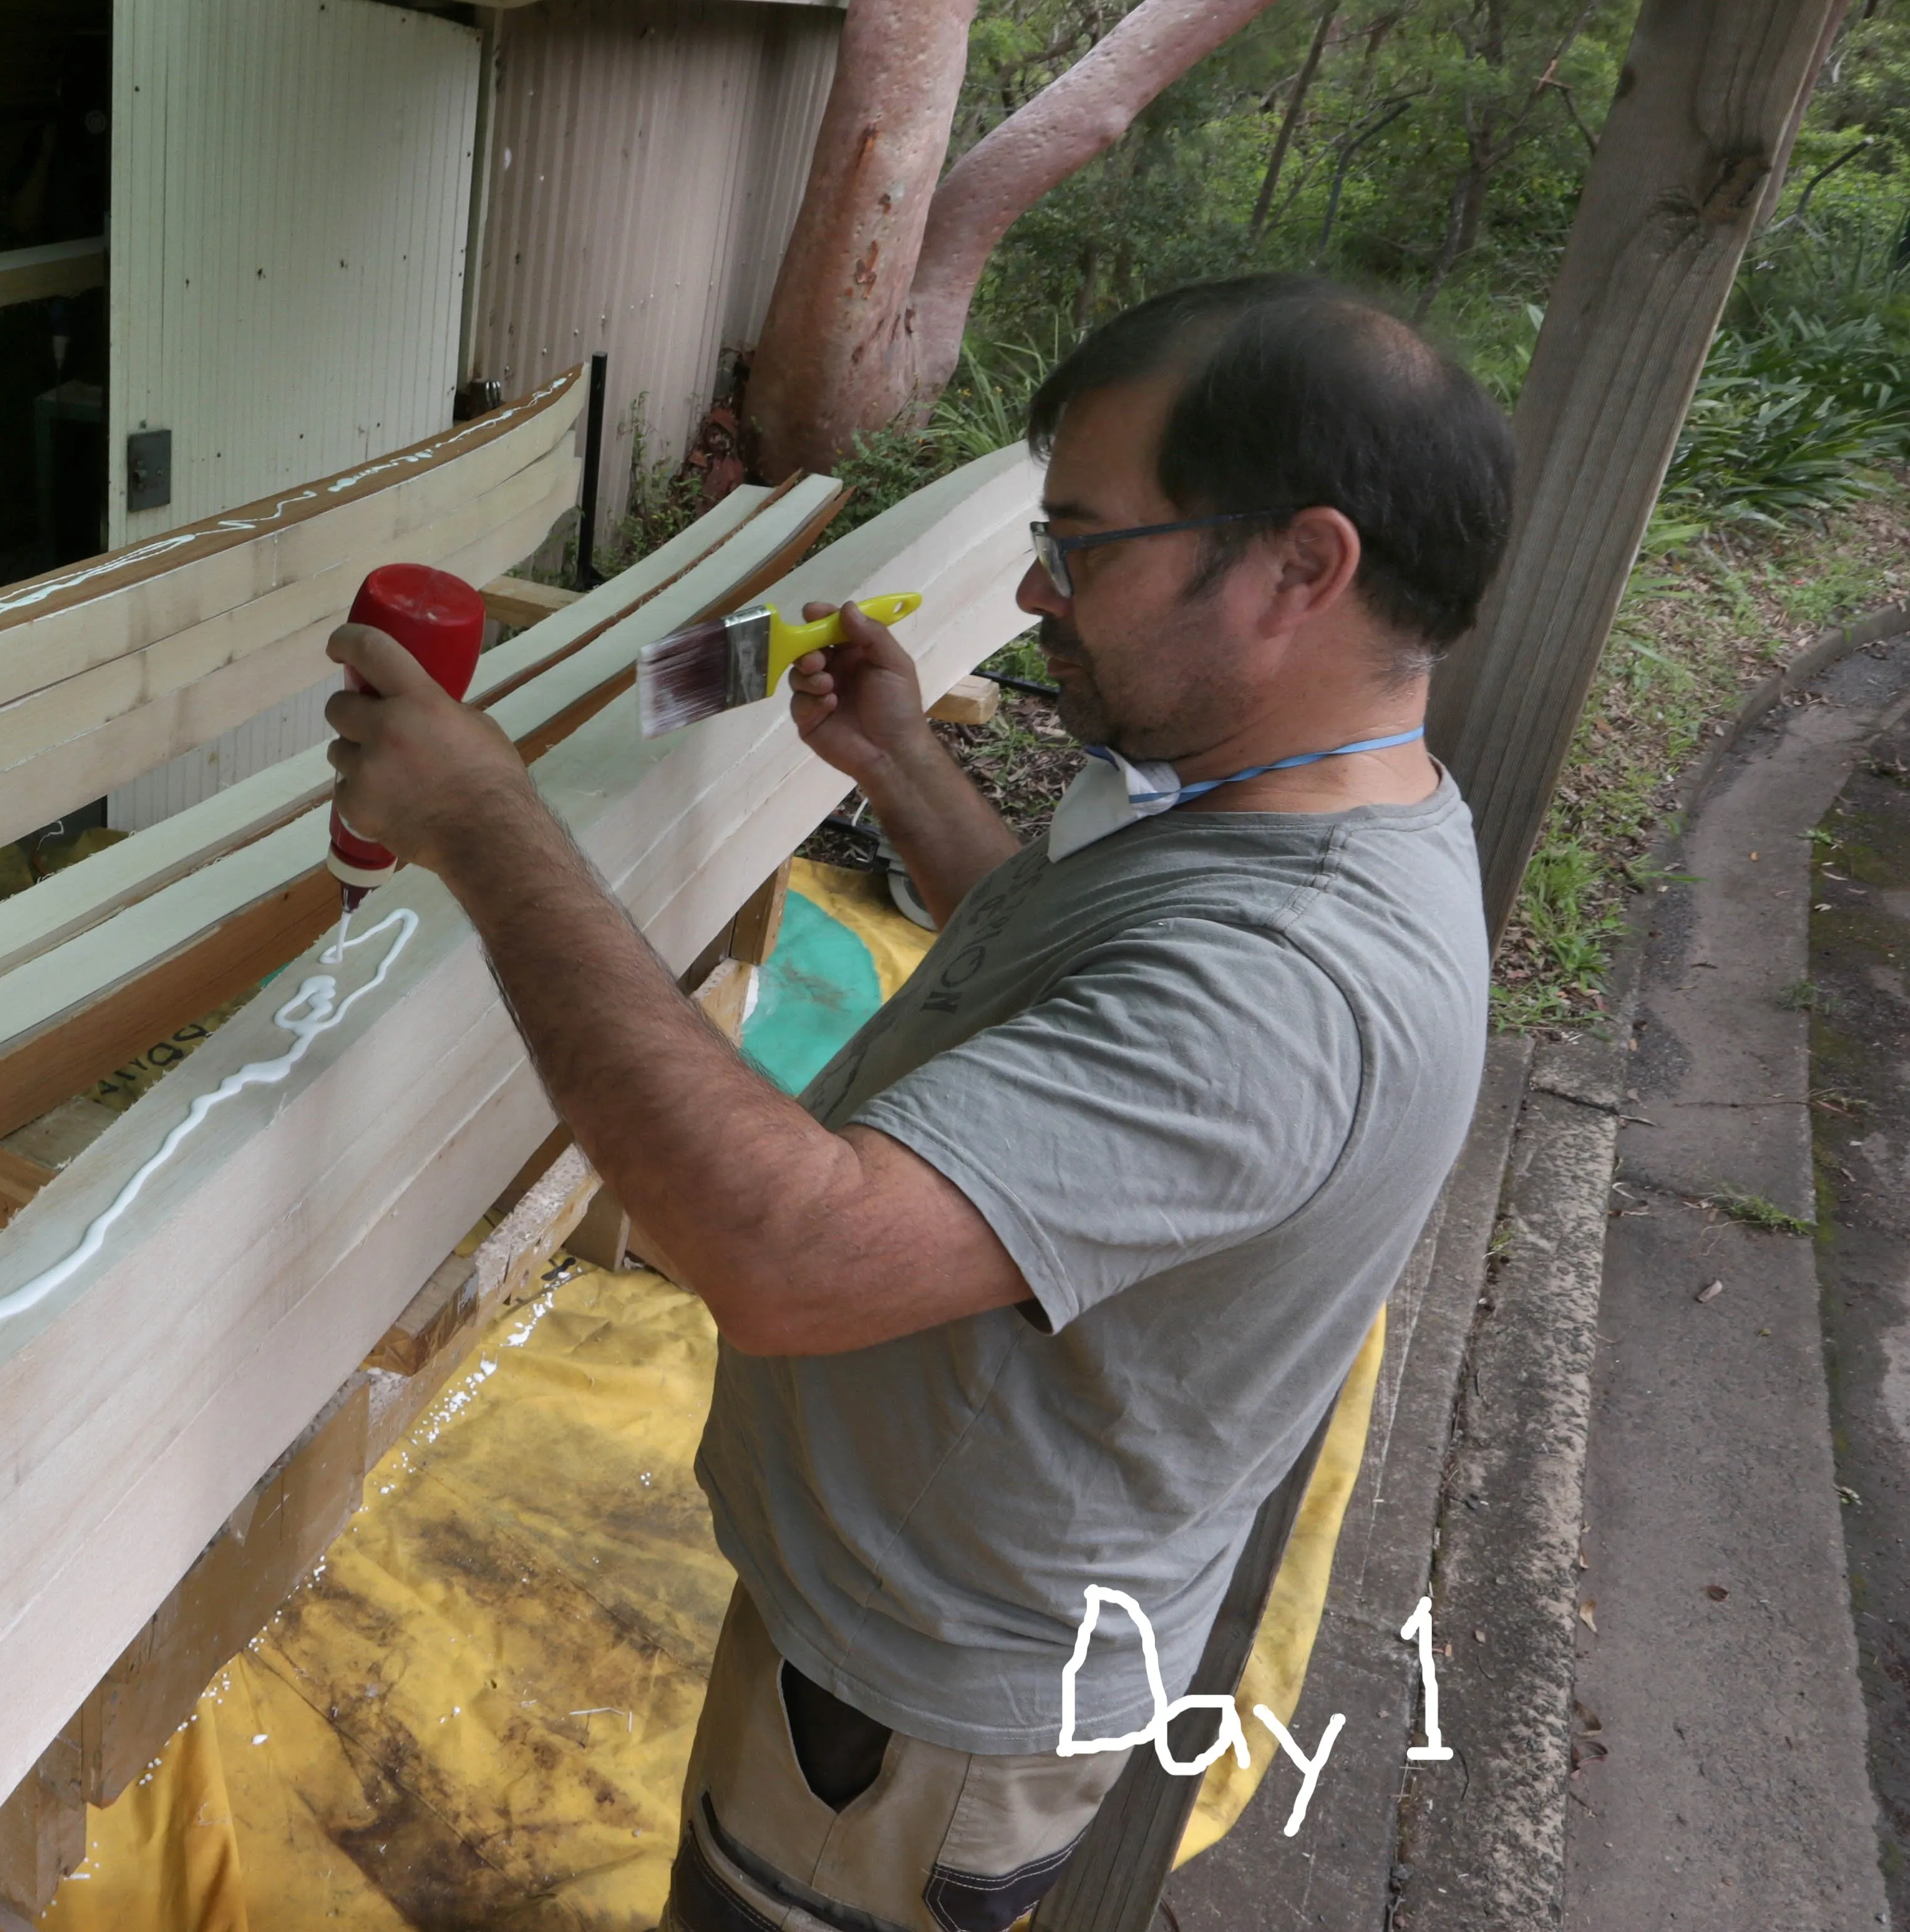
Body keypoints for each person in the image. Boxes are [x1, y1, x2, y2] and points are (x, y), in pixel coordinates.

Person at [319, 277, 1511, 1932]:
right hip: (906, 1613)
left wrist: (488, 826)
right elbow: (1069, 965)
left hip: (920, 1710)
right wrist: (899, 767)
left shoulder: (1287, 985)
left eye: (1084, 542)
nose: (1032, 587)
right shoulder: (1274, 804)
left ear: (1300, 568)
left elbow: (783, 1248)